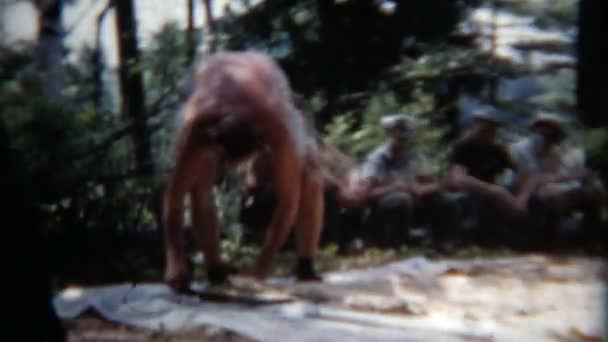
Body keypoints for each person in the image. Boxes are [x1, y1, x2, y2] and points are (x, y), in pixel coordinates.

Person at [163, 51, 325, 292]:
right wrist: (173, 258)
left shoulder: (276, 126)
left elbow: (289, 201)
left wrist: (261, 268)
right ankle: (214, 269)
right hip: (211, 96)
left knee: (310, 178)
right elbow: (174, 199)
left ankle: (305, 263)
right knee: (199, 187)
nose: (230, 169)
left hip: (265, 95)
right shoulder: (199, 127)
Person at [335, 114, 435, 247]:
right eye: (398, 136)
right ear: (389, 135)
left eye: (404, 137)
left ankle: (438, 239)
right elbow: (366, 195)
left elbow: (433, 182)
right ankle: (395, 242)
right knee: (400, 199)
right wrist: (396, 187)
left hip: (411, 203)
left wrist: (421, 189)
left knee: (440, 199)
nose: (401, 141)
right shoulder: (376, 159)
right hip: (381, 210)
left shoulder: (413, 156)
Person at [509, 114, 606, 242]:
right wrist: (569, 177)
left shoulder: (555, 152)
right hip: (525, 192)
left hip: (553, 188)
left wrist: (581, 178)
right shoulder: (520, 149)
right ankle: (546, 238)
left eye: (551, 133)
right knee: (556, 197)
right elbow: (533, 179)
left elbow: (561, 174)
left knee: (593, 193)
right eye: (543, 130)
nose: (546, 136)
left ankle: (590, 236)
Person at [444, 105, 519, 244]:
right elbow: (458, 179)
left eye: (492, 127)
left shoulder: (498, 150)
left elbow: (516, 171)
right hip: (465, 193)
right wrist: (495, 190)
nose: (487, 131)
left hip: (487, 194)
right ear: (475, 124)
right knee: (470, 200)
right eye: (483, 126)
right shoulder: (462, 147)